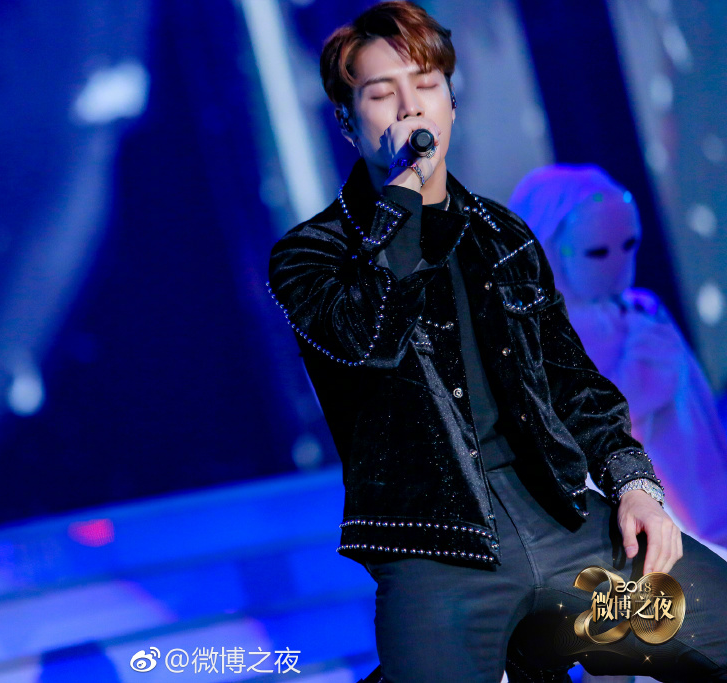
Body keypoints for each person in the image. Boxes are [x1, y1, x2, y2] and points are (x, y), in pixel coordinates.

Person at [265, 3, 727, 681]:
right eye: (382, 93)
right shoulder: (312, 255)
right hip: (435, 556)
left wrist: (634, 485)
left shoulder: (503, 236)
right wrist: (403, 199)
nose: (410, 108)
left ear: (451, 103)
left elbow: (574, 383)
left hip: (566, 533)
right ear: (347, 120)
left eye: (426, 85)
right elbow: (370, 338)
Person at [509, 165, 727, 551]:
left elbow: (700, 420)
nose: (619, 264)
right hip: (637, 524)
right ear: (549, 247)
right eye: (597, 251)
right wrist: (638, 383)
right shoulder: (542, 336)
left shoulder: (644, 311)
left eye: (629, 245)